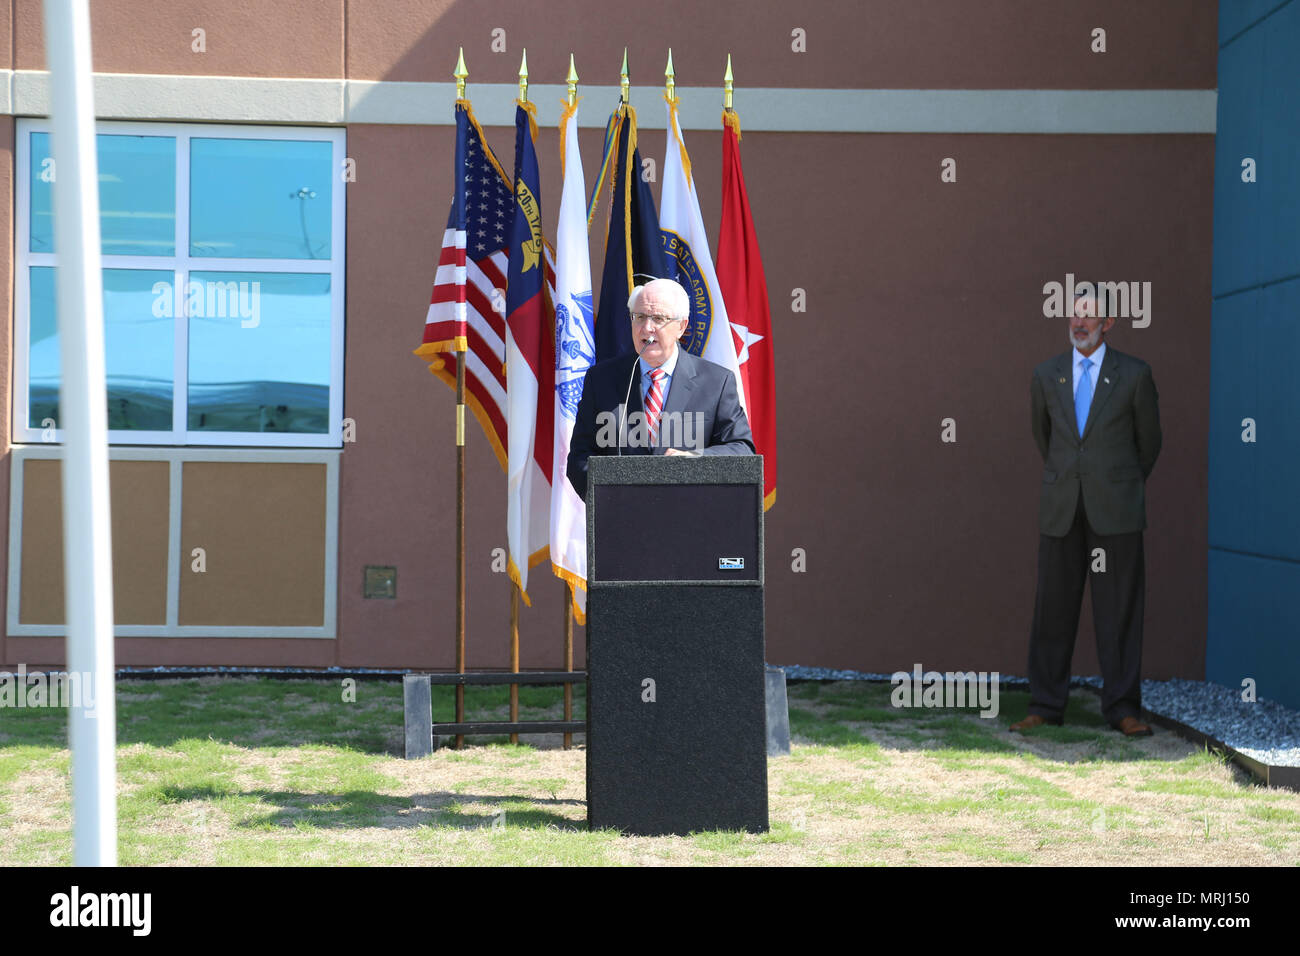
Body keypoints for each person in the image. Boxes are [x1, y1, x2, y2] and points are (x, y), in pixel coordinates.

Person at [1011, 286, 1162, 737]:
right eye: (1073, 316)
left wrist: (1117, 483)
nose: (1079, 324)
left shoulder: (1135, 375)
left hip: (1115, 511)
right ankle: (1045, 704)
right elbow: (1045, 438)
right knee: (1052, 609)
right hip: (1062, 509)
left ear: (1108, 323)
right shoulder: (1046, 374)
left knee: (1118, 612)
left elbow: (1148, 444)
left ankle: (1122, 708)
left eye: (1089, 317)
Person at [566, 278, 754, 499]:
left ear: (681, 326)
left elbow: (741, 450)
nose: (647, 328)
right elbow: (580, 456)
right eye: (640, 317)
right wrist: (611, 499)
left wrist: (694, 460)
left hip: (692, 518)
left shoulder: (716, 382)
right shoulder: (601, 379)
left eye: (658, 318)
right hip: (621, 519)